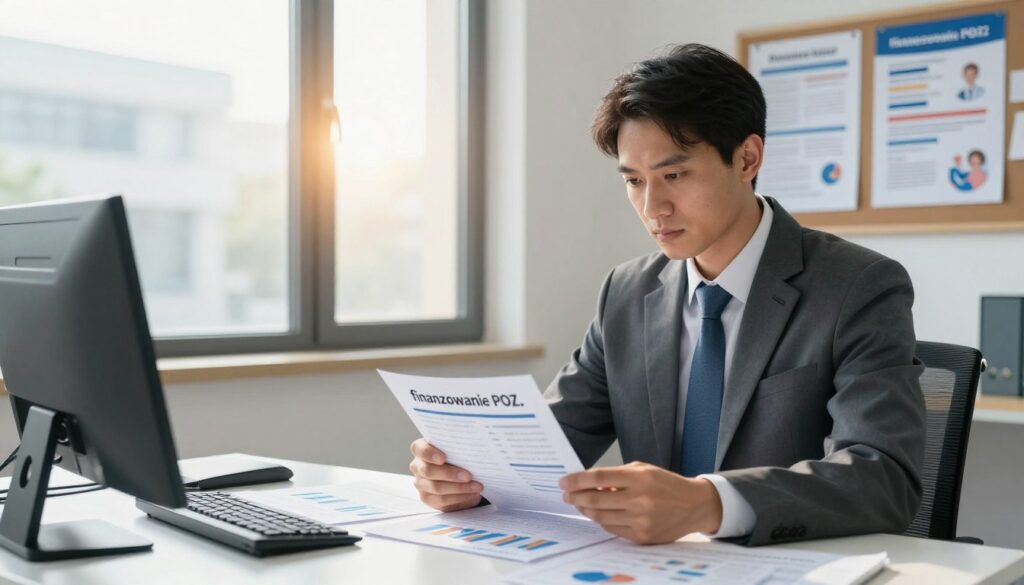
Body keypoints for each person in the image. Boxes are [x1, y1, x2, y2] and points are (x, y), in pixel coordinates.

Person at [409, 43, 926, 547]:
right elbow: (546, 447)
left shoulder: (858, 286)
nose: (653, 208)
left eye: (674, 175)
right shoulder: (627, 292)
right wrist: (466, 479)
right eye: (634, 181)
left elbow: (883, 478)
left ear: (747, 158)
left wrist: (709, 503)